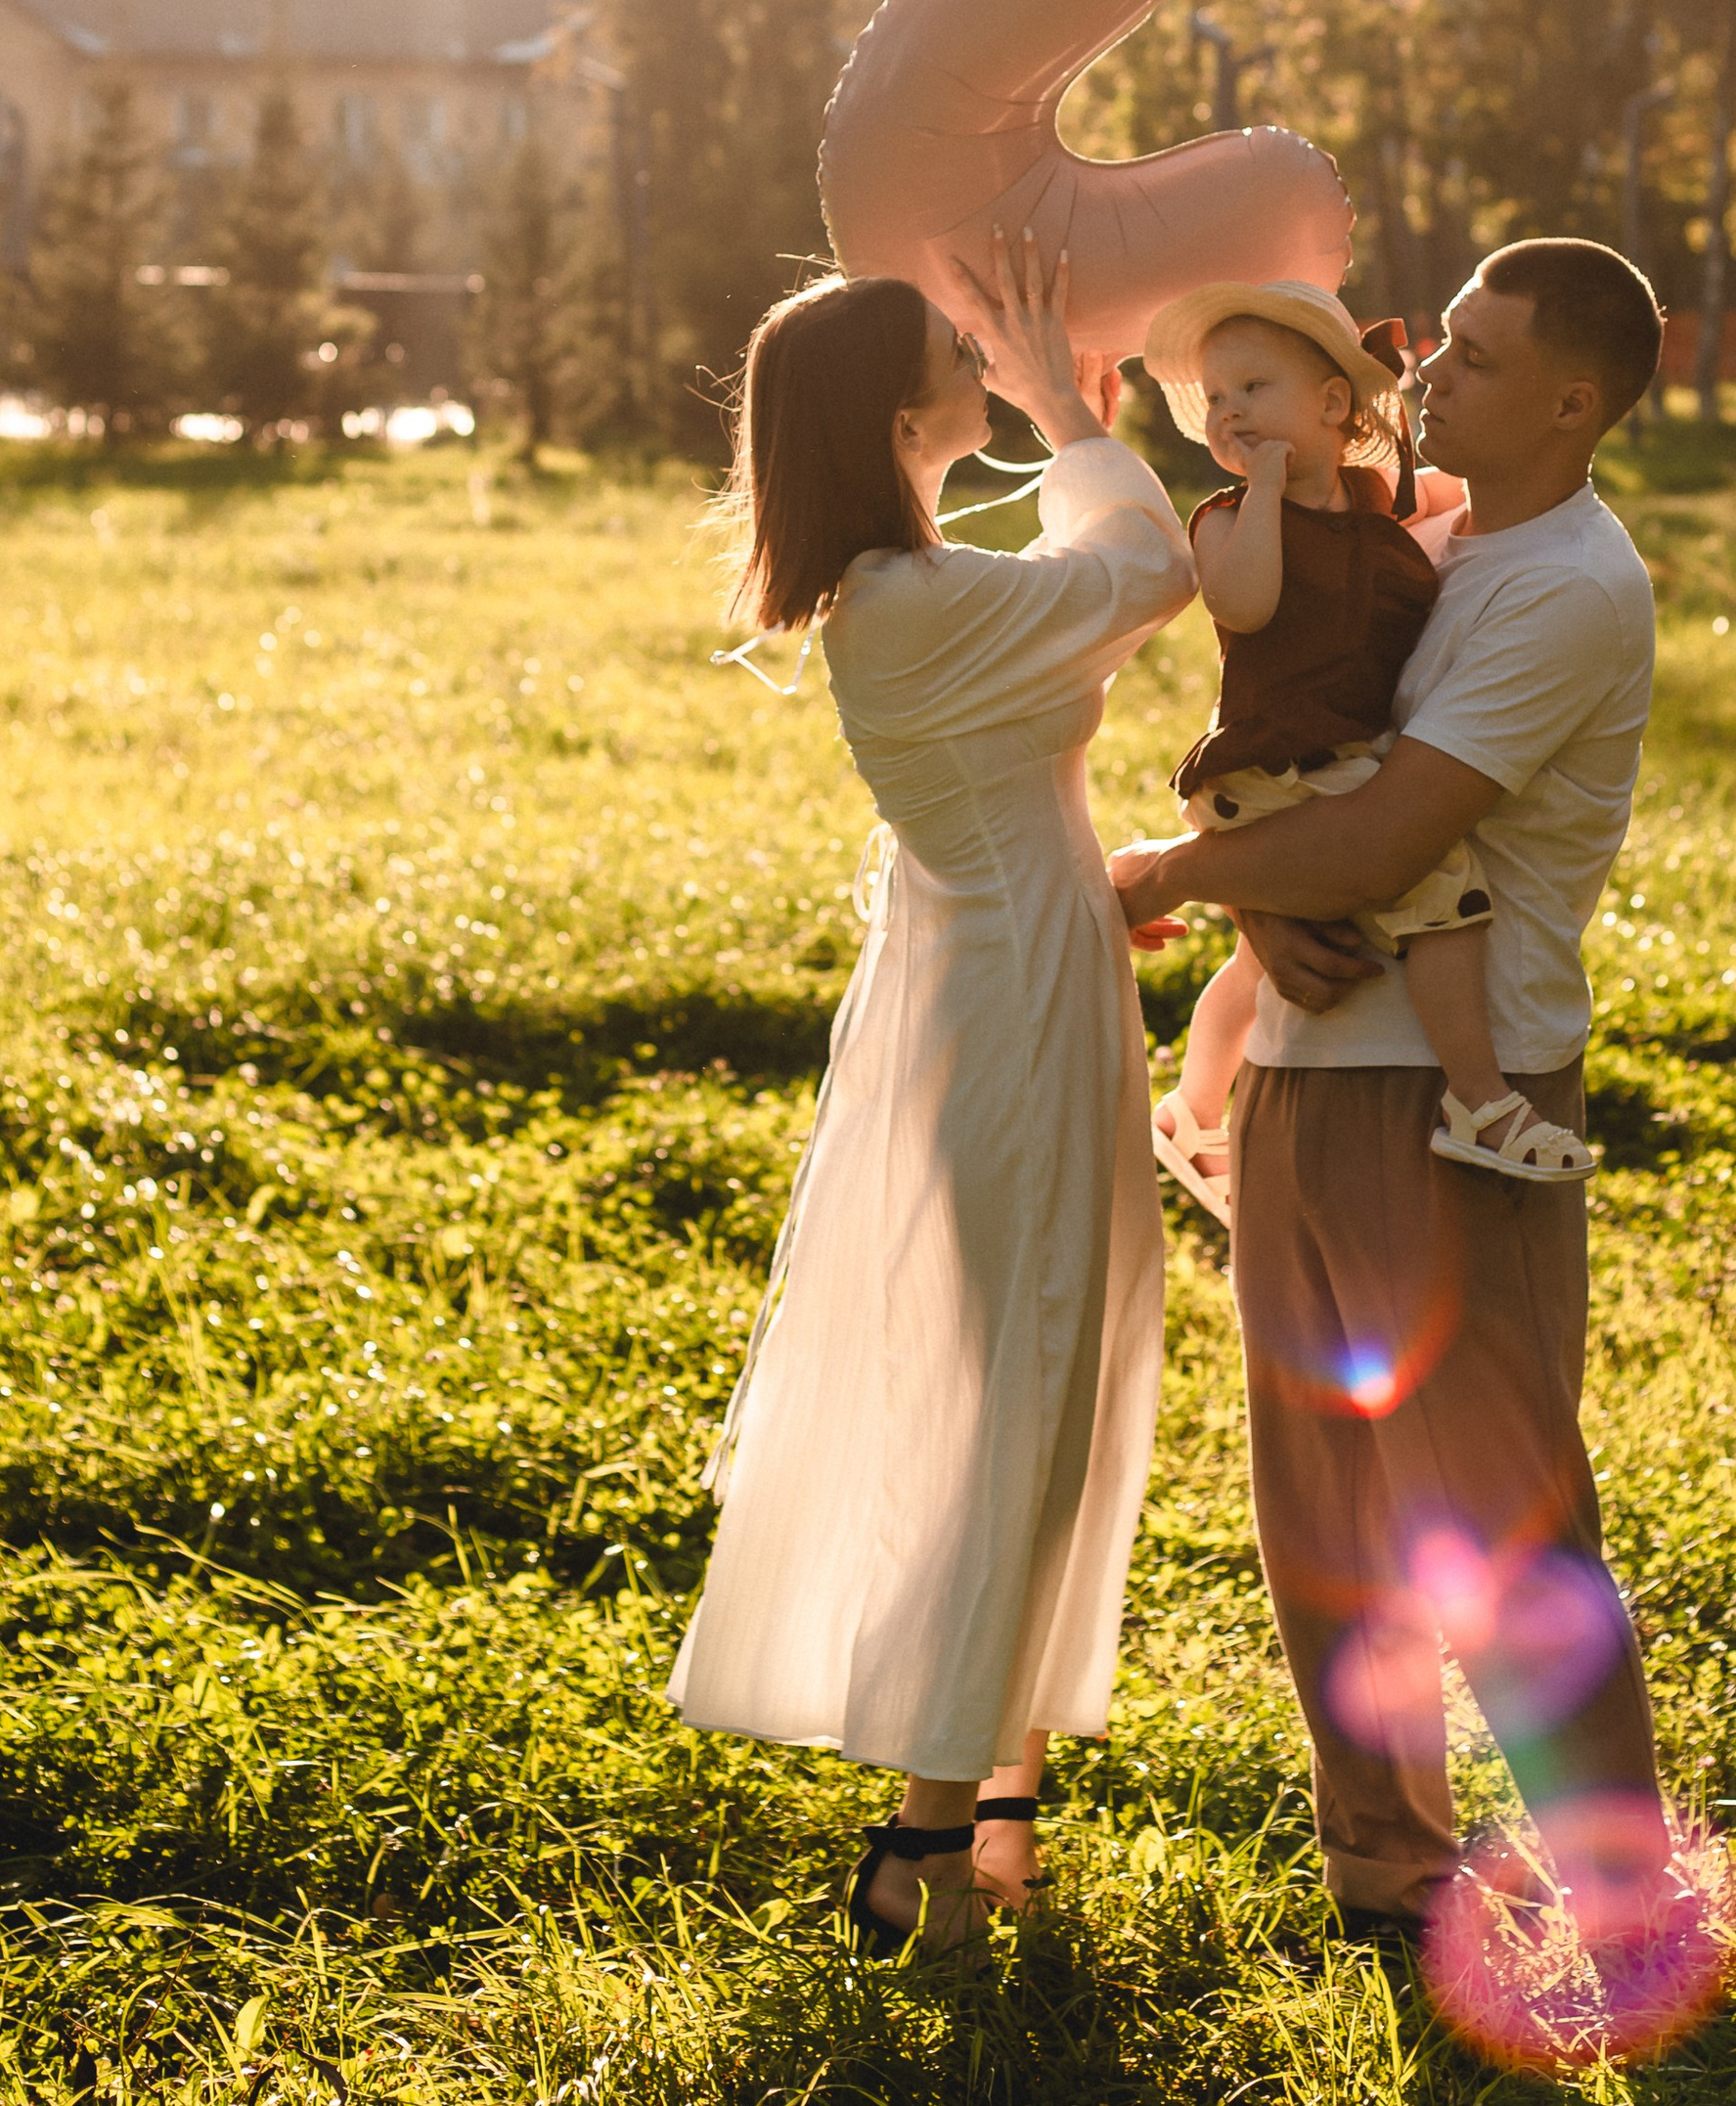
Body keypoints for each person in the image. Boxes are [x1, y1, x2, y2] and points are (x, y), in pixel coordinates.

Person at [1111, 239, 1669, 1945]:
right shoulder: (1425, 539)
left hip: (1447, 1093)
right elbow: (1306, 743)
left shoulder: (1570, 582)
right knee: (1326, 1514)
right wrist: (1260, 897)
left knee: (1500, 1516)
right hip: (1299, 1068)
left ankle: (1625, 1900)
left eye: (1482, 362)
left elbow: (1392, 829)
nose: (1435, 379)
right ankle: (1388, 1873)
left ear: (1575, 402)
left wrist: (1167, 872)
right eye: (1441, 352)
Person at [669, 232, 1194, 1957]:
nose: (985, 358)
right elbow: (1143, 571)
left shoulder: (916, 591)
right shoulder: (911, 608)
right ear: (905, 410)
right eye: (961, 353)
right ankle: (923, 1838)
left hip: (1025, 978)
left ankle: (999, 1796)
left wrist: (1065, 435)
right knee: (1021, 1378)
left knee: (1049, 1376)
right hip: (1014, 1011)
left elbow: (1082, 577)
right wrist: (1070, 414)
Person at [1138, 281, 1594, 1225]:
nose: (1228, 411)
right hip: (1270, 758)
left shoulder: (1377, 507)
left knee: (1262, 962)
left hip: (1322, 758)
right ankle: (1480, 1099)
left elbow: (1481, 507)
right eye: (1216, 399)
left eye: (1252, 389)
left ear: (1334, 405)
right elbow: (1249, 605)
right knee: (1439, 894)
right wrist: (1264, 486)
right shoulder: (1227, 517)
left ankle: (1188, 1108)